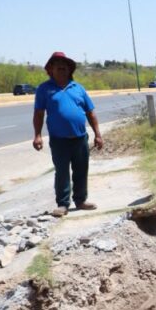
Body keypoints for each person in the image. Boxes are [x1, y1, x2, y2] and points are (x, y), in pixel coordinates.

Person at [33, 51, 102, 217]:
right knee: (62, 171)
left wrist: (98, 134)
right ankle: (63, 204)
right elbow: (39, 114)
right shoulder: (44, 89)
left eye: (64, 65)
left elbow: (90, 112)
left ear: (69, 69)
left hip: (80, 138)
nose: (61, 67)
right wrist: (37, 135)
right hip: (59, 140)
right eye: (57, 64)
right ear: (51, 69)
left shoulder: (78, 88)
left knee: (81, 170)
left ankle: (81, 200)